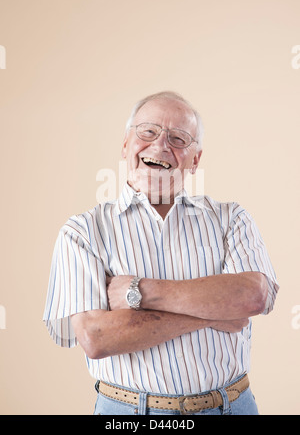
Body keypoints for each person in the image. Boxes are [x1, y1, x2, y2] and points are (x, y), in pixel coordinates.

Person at [43, 91, 279, 415]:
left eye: (178, 138)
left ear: (195, 160)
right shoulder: (82, 232)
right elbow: (96, 337)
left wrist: (138, 291)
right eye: (148, 132)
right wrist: (217, 309)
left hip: (232, 406)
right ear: (126, 144)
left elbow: (253, 297)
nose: (160, 145)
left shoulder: (231, 218)